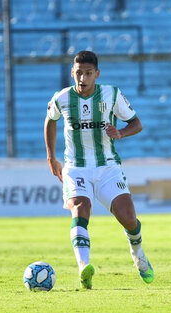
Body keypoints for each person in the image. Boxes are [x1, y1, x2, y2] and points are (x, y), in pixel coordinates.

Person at [44, 50, 154, 289]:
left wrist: (121, 133)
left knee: (129, 219)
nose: (82, 78)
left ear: (97, 74)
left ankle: (139, 256)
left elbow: (137, 123)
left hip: (107, 166)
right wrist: (52, 158)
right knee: (81, 208)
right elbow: (50, 120)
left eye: (88, 73)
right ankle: (84, 268)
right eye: (79, 73)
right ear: (72, 73)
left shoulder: (111, 94)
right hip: (76, 167)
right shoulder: (62, 98)